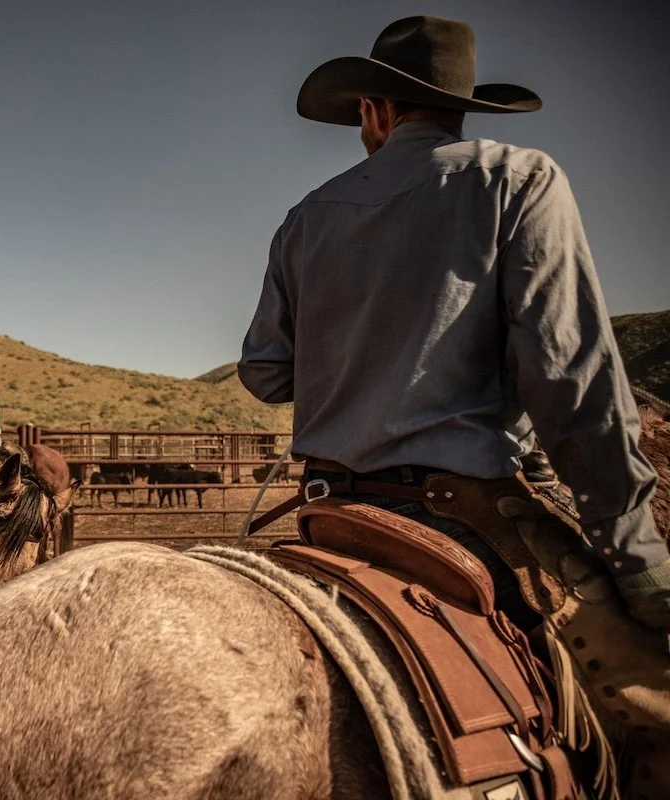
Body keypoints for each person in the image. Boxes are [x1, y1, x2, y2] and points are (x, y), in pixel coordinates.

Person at [238, 15, 670, 793]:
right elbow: (574, 385)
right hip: (464, 513)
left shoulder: (307, 218)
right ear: (462, 108)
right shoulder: (519, 179)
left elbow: (266, 373)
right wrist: (636, 555)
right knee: (655, 704)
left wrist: (353, 349)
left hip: (330, 508)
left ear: (374, 109)